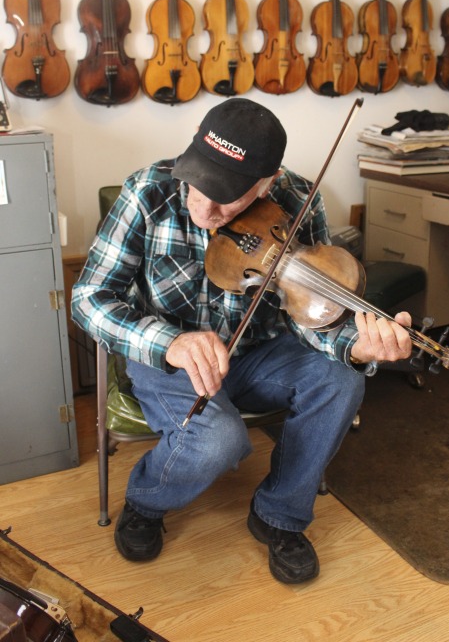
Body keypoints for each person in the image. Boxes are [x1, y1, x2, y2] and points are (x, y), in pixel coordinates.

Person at [71, 97, 412, 585]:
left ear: (266, 184)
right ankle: (147, 502)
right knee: (218, 437)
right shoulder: (148, 190)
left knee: (342, 381)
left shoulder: (297, 199)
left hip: (259, 353)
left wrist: (355, 347)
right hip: (167, 360)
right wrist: (171, 342)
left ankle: (279, 514)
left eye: (227, 196)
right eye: (199, 182)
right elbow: (88, 297)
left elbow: (308, 314)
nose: (204, 207)